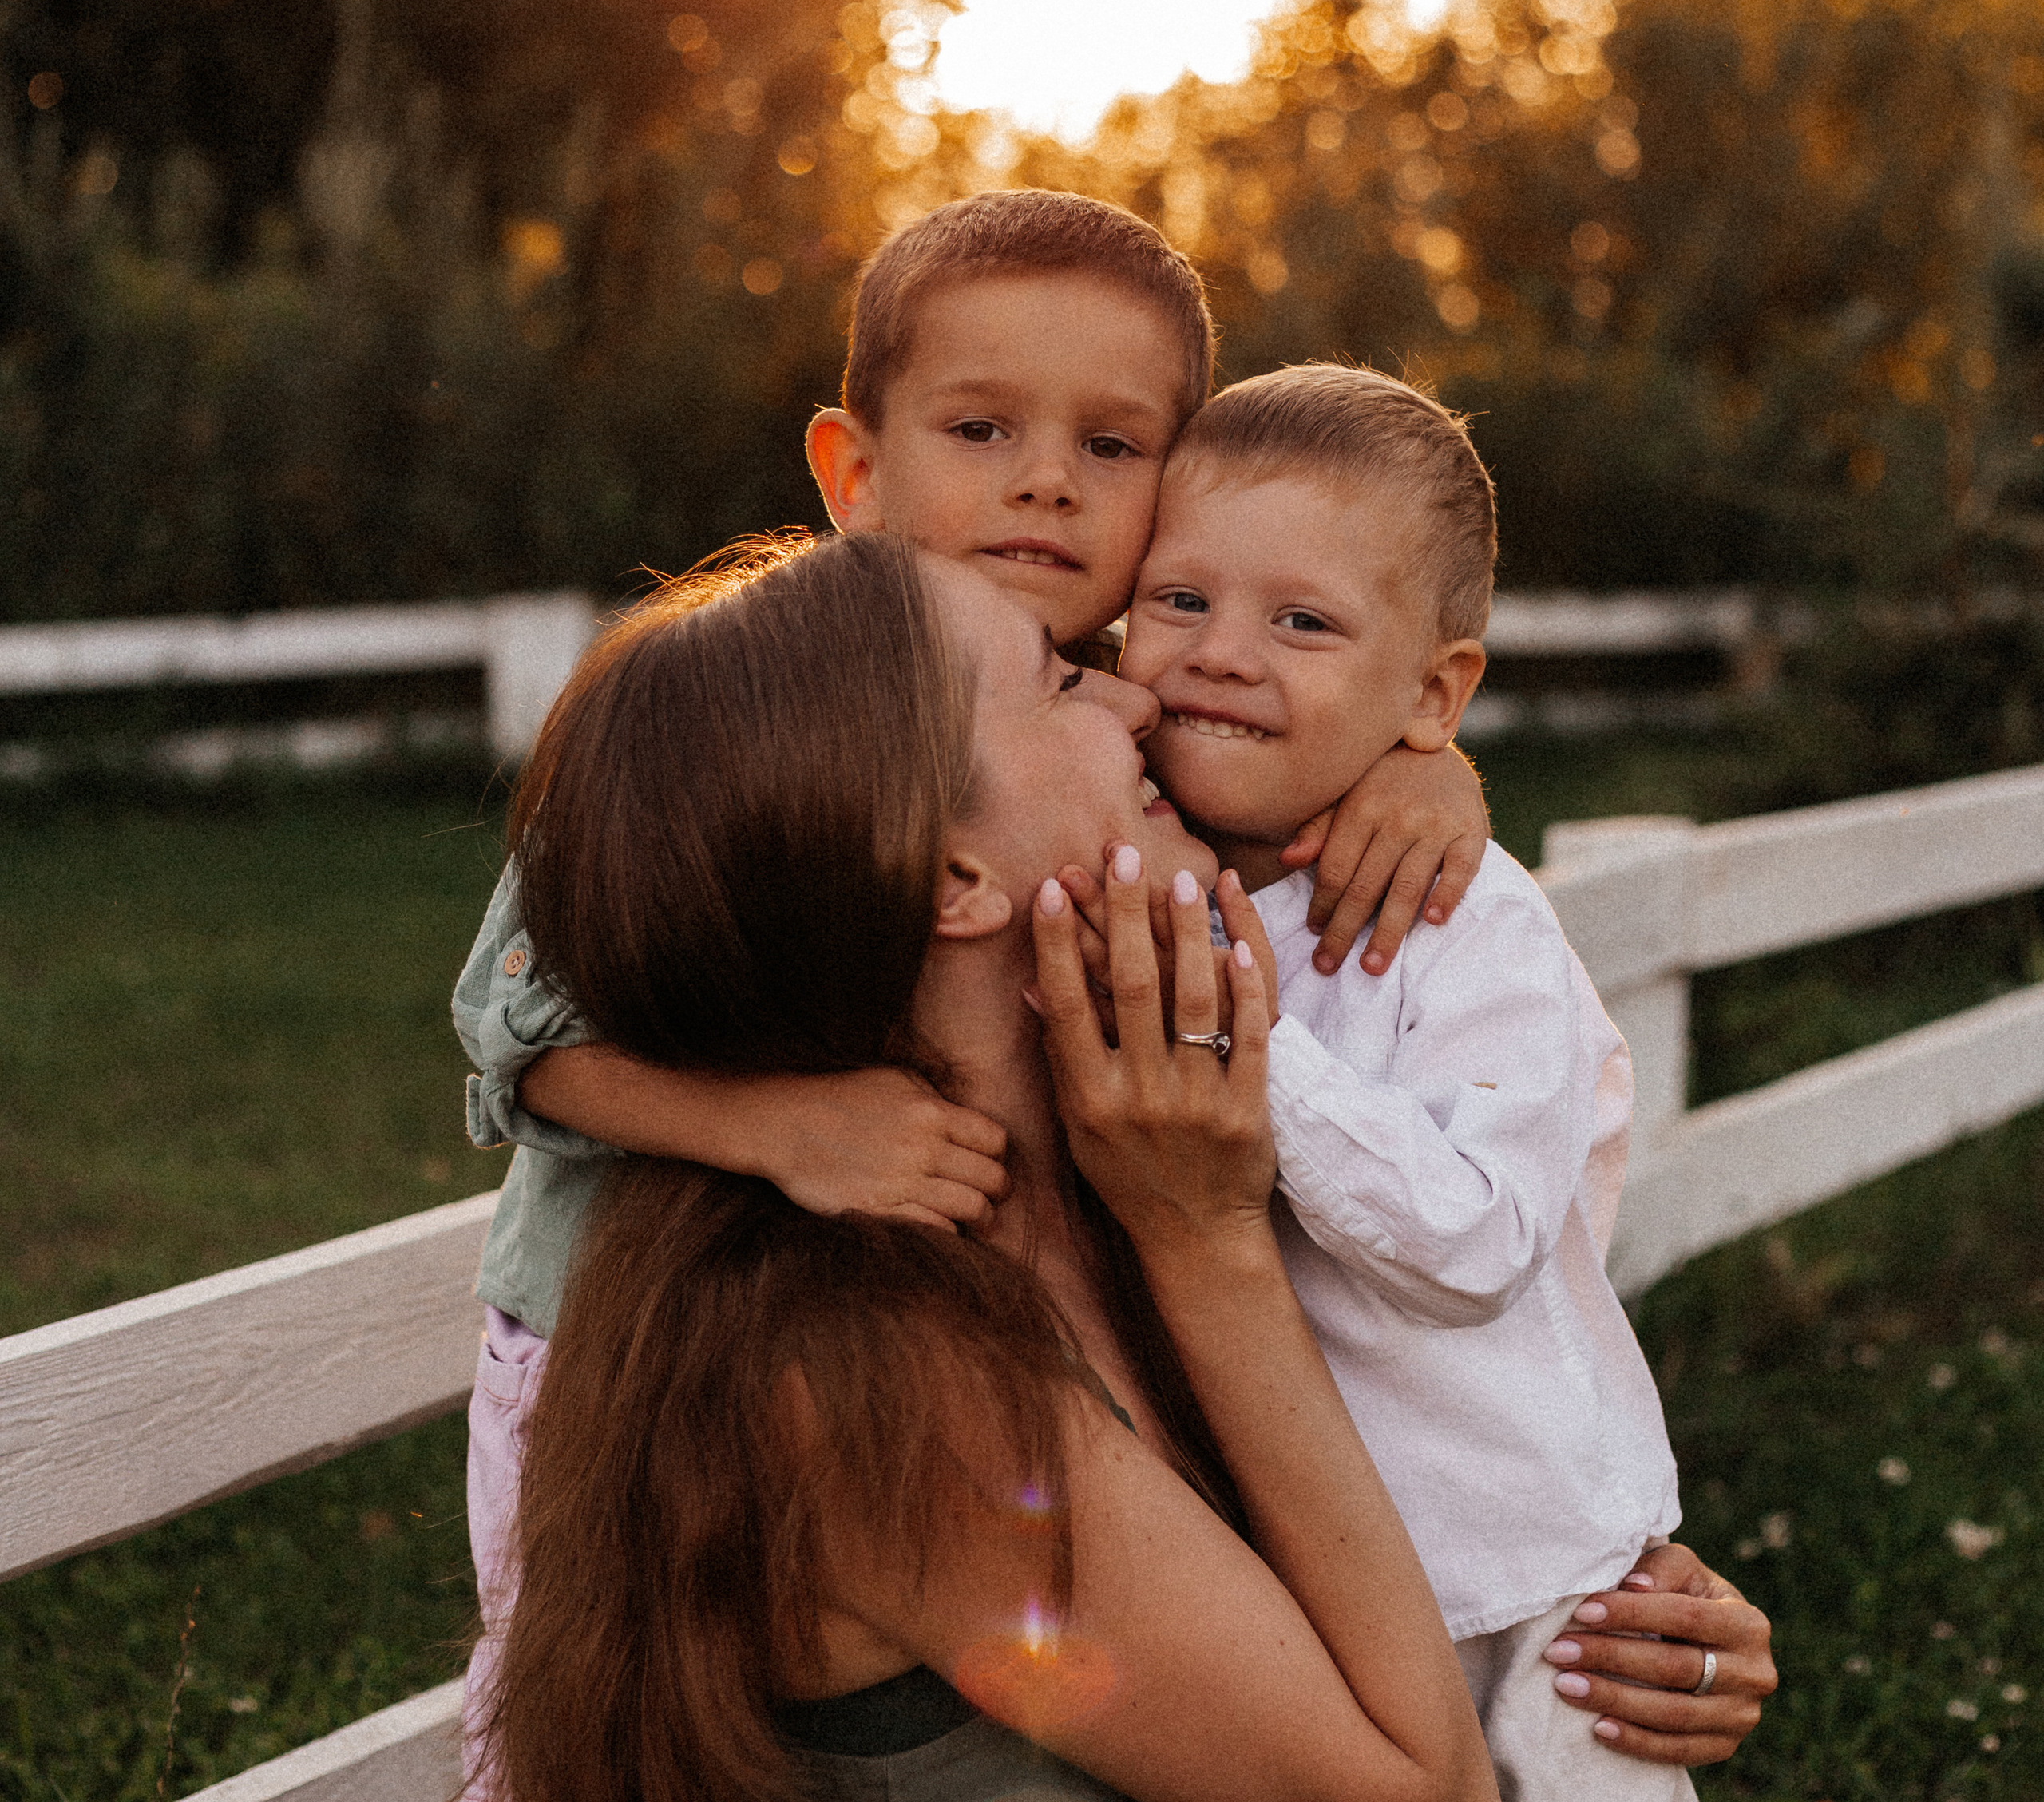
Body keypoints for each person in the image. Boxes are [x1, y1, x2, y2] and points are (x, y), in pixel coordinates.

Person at [452, 192, 1491, 1761]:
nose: (1046, 484)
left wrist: (1422, 760)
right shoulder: (736, 762)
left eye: (1112, 448)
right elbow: (505, 1030)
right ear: (852, 472)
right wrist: (773, 1126)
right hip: (605, 1333)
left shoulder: (1106, 1093)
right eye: (984, 427)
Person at [1040, 361, 1761, 1795]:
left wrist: (1244, 1043)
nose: (1220, 653)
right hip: (1292, 1573)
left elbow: (1478, 1240)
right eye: (1180, 601)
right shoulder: (1118, 850)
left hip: (1534, 1585)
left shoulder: (1462, 921)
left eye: (1302, 622)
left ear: (1435, 693)